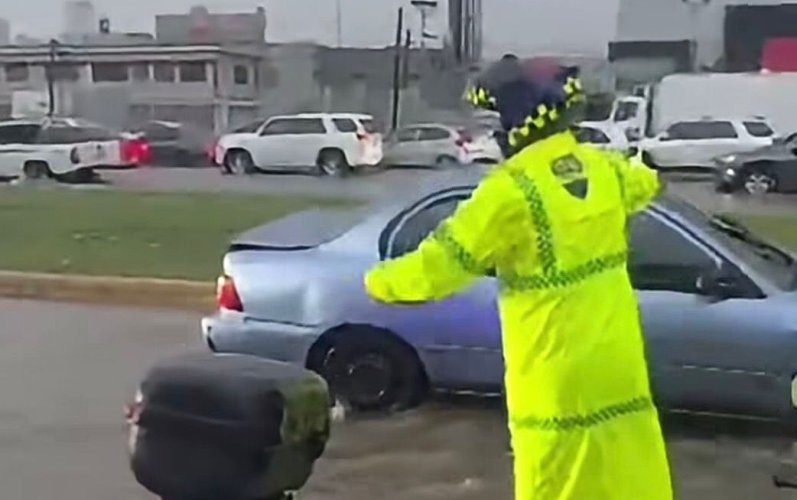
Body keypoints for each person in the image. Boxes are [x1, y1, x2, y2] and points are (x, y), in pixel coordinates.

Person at [363, 57, 673, 500]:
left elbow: (438, 267)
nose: (490, 134)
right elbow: (646, 181)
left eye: (493, 121)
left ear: (516, 122)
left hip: (553, 372)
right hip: (618, 362)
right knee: (627, 470)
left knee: (554, 479)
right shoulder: (604, 170)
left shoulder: (509, 193)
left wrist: (377, 283)